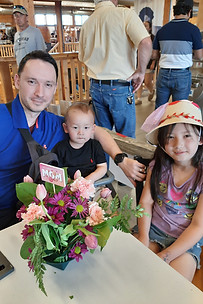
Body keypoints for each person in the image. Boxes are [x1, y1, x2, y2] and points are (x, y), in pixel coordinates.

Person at [0, 50, 146, 230]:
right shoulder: (2, 119)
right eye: (31, 82)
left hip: (44, 213)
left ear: (54, 89)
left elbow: (97, 131)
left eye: (48, 84)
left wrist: (121, 160)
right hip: (5, 214)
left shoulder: (54, 123)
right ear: (16, 81)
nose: (40, 92)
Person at [132, 100, 203, 282]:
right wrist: (143, 236)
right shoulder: (157, 167)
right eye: (170, 137)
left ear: (200, 138)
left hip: (185, 241)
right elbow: (146, 202)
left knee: (175, 285)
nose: (178, 144)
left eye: (187, 135)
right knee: (133, 272)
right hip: (152, 229)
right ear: (162, 141)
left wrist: (165, 256)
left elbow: (198, 226)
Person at [79, 0, 152, 138]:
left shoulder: (87, 23)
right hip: (120, 86)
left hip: (96, 86)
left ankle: (102, 160)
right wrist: (141, 71)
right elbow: (145, 42)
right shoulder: (125, 14)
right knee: (126, 138)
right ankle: (123, 160)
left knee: (102, 136)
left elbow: (82, 57)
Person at [152, 0, 203, 109]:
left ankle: (160, 126)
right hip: (182, 74)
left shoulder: (162, 30)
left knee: (160, 108)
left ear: (174, 13)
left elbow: (154, 55)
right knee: (179, 109)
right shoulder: (193, 30)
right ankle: (175, 126)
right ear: (189, 13)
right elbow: (199, 56)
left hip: (163, 73)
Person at [52, 102, 107, 182]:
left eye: (86, 127)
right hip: (68, 187)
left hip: (93, 183)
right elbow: (56, 172)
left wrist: (87, 180)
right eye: (75, 127)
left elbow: (102, 167)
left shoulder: (95, 146)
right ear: (66, 128)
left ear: (92, 129)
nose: (81, 132)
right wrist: (71, 183)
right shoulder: (60, 148)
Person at [135, 21, 156, 105]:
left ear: (150, 28)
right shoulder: (138, 37)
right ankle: (139, 98)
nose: (144, 27)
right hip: (139, 62)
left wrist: (153, 63)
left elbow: (156, 52)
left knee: (147, 82)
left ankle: (151, 91)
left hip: (149, 62)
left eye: (146, 26)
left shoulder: (153, 38)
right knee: (138, 80)